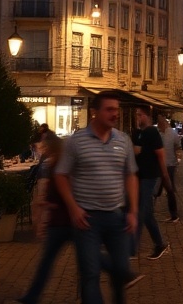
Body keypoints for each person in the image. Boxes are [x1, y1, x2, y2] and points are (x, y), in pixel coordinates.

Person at [54, 92, 139, 304]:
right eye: (109, 109)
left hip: (116, 216)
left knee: (120, 272)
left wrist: (133, 211)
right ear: (95, 112)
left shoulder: (123, 140)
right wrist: (73, 208)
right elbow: (61, 175)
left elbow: (130, 175)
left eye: (116, 109)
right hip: (87, 218)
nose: (115, 114)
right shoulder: (76, 141)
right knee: (90, 274)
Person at [15, 137, 73, 304]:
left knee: (47, 261)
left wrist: (43, 209)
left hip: (63, 221)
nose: (41, 147)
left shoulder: (58, 166)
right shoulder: (57, 164)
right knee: (47, 261)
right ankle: (31, 296)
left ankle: (122, 273)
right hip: (62, 221)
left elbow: (58, 194)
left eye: (43, 145)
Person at [130, 105, 171, 261]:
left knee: (142, 211)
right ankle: (159, 244)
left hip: (150, 176)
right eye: (136, 115)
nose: (137, 117)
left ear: (146, 116)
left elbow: (160, 155)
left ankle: (132, 249)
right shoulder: (139, 133)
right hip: (139, 176)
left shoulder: (152, 132)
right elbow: (135, 152)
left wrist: (165, 175)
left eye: (139, 115)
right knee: (145, 213)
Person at [156, 114, 181, 223]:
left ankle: (174, 215)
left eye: (160, 124)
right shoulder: (159, 133)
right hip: (163, 165)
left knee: (167, 190)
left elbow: (177, 146)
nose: (159, 126)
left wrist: (177, 157)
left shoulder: (171, 133)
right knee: (159, 190)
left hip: (169, 165)